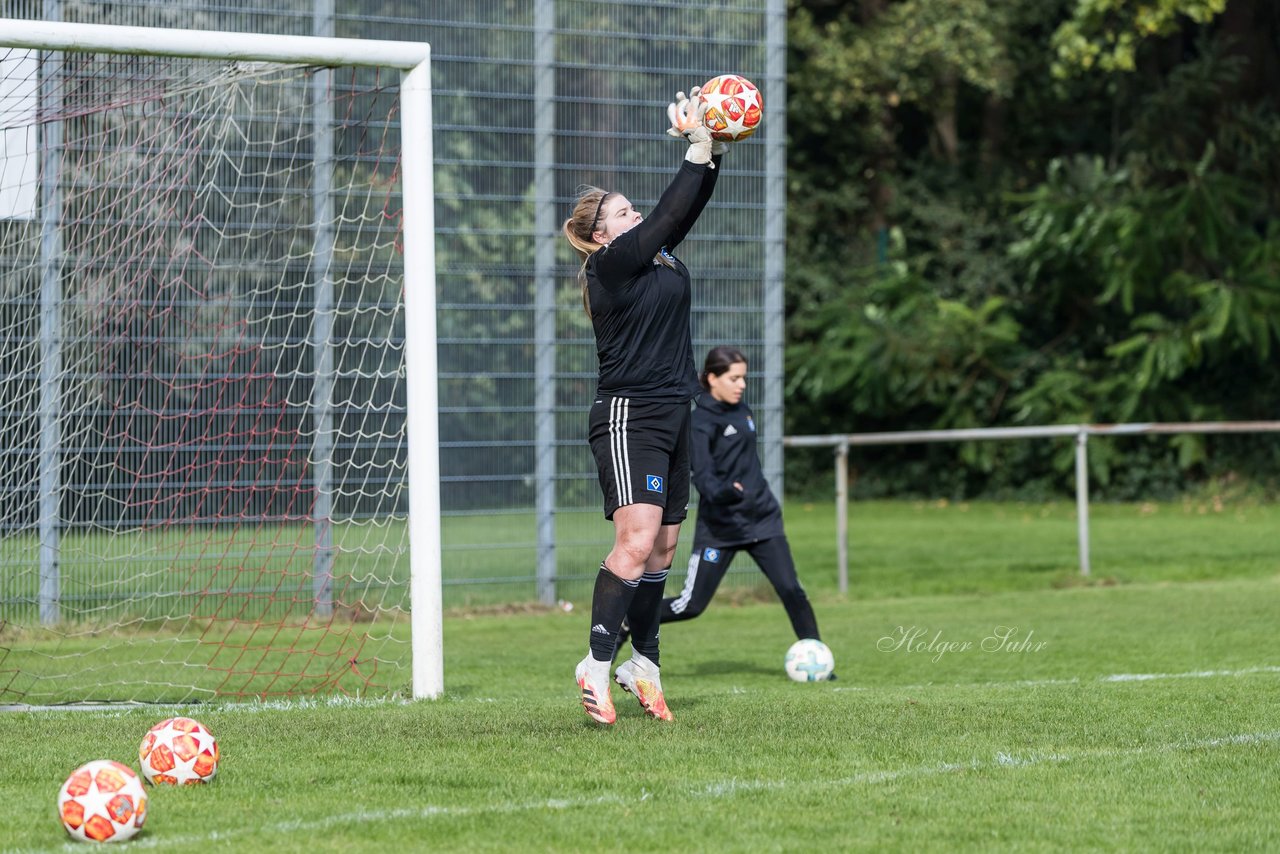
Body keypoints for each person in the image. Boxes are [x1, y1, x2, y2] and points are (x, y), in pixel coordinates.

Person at [561, 88, 729, 724]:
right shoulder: (610, 266)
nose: (637, 216)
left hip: (672, 411)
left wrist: (711, 151)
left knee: (662, 548)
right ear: (601, 234)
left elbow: (678, 216)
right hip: (629, 414)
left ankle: (645, 663)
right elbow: (666, 216)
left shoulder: (657, 255)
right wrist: (695, 148)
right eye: (623, 211)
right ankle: (597, 665)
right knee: (633, 543)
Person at [619, 346, 829, 670]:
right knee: (691, 606)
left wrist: (751, 495)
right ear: (712, 378)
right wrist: (729, 493)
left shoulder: (742, 410)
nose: (741, 384)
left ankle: (819, 663)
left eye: (743, 377)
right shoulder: (700, 421)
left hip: (763, 521)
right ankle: (628, 619)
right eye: (734, 378)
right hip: (720, 529)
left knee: (791, 589)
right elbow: (703, 478)